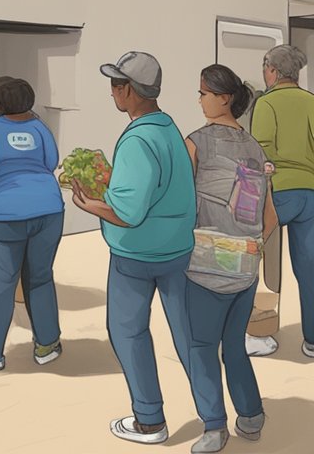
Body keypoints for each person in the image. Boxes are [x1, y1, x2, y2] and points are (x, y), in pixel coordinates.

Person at [70, 51, 196, 446]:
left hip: (137, 257)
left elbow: (128, 213)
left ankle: (149, 421)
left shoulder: (138, 138)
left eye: (115, 85)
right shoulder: (168, 127)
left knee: (128, 333)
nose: (111, 93)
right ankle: (217, 413)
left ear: (130, 90)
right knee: (192, 338)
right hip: (178, 249)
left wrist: (88, 204)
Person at [182, 65, 275, 453]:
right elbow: (270, 217)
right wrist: (250, 245)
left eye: (203, 92)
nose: (199, 99)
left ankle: (214, 427)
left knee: (201, 347)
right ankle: (251, 416)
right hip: (246, 264)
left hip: (205, 262)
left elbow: (182, 204)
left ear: (224, 98)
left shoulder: (195, 142)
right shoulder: (255, 148)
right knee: (233, 344)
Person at [0, 78, 65, 372]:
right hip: (48, 210)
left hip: (3, 214)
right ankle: (47, 345)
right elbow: (50, 163)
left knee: (0, 284)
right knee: (41, 277)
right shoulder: (40, 129)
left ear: (0, 103)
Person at [249, 44, 314, 360]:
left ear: (273, 71)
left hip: (276, 193)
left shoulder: (266, 103)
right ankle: (312, 339)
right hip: (310, 194)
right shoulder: (311, 102)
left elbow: (261, 151)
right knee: (310, 268)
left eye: (265, 67)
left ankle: (263, 333)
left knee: (263, 266)